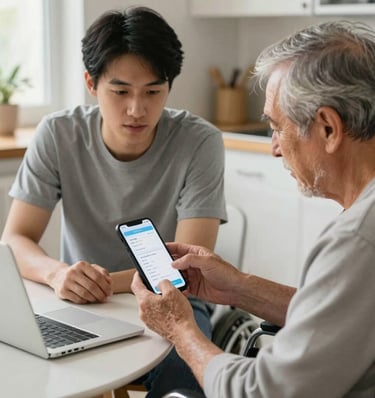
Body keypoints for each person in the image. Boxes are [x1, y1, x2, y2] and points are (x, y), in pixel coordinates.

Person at [131, 20, 375, 398]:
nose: (274, 147)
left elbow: (262, 392)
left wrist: (180, 330)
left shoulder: (358, 240)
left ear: (328, 128)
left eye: (278, 127)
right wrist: (241, 289)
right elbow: (343, 317)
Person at [1, 6, 227, 397]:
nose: (137, 110)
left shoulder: (199, 141)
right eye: (120, 91)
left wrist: (98, 284)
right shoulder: (58, 133)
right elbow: (16, 238)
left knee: (185, 381)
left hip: (172, 300)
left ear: (169, 86)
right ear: (91, 83)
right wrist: (58, 274)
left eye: (153, 92)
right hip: (79, 305)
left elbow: (189, 266)